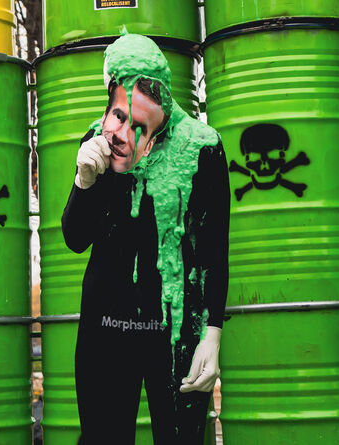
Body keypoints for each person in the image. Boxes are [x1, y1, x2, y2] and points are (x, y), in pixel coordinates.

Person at [62, 33, 229, 444]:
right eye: (116, 109)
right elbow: (75, 237)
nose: (123, 132)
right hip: (106, 325)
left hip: (176, 327)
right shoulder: (99, 142)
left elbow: (214, 249)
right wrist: (85, 182)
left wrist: (212, 333)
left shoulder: (201, 146)